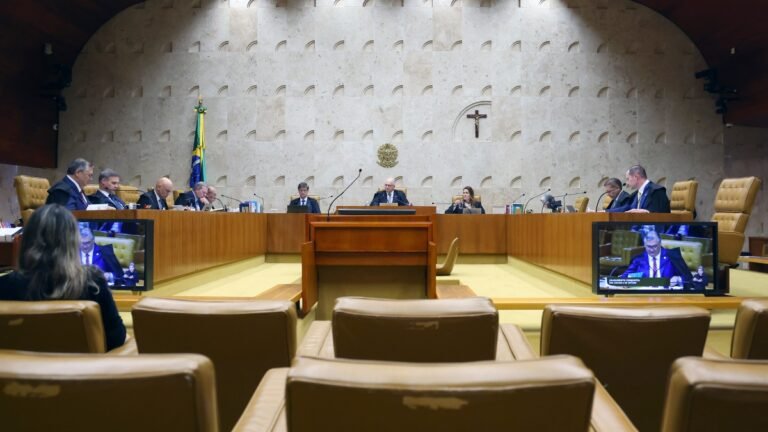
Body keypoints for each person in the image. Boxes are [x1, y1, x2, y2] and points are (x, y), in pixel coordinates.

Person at [0, 204, 126, 350]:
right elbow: (116, 338)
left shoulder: (5, 285)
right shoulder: (93, 282)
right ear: (72, 242)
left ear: (27, 240)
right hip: (82, 364)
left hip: (20, 364)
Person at [621, 230, 692, 288]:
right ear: (644, 245)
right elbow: (623, 278)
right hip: (644, 295)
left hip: (666, 295)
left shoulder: (672, 256)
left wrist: (678, 279)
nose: (652, 250)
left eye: (655, 246)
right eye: (649, 246)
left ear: (660, 243)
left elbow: (689, 279)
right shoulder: (638, 259)